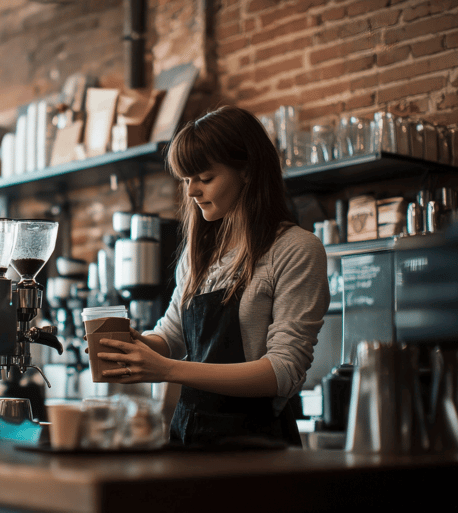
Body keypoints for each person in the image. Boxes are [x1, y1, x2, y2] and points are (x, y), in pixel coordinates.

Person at [97, 105, 330, 447]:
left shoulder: (295, 249)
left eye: (205, 178)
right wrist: (135, 343)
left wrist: (166, 370)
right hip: (188, 440)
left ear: (247, 172)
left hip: (258, 449)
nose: (192, 192)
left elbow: (282, 371)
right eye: (187, 180)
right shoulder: (199, 256)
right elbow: (172, 334)